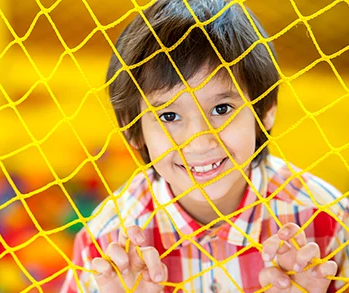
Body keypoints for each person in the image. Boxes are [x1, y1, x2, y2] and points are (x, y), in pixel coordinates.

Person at [60, 0, 348, 292]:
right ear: (133, 130)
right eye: (169, 116)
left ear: (265, 109)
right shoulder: (107, 247)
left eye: (222, 109)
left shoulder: (329, 220)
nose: (200, 141)